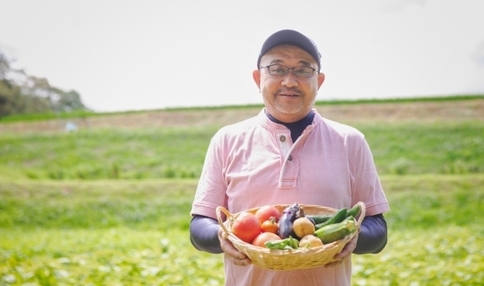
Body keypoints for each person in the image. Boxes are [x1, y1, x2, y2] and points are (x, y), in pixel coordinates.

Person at [189, 29, 390, 286]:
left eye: (303, 70)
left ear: (319, 80)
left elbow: (378, 229)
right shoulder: (227, 139)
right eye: (277, 69)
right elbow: (198, 227)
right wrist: (221, 235)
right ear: (257, 77)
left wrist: (352, 235)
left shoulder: (350, 141)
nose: (290, 81)